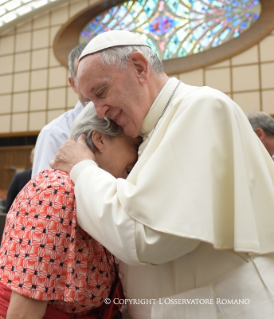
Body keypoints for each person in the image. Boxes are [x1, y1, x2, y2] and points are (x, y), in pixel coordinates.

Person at [51, 30, 274, 319]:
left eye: (101, 92)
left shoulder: (200, 108)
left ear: (139, 67)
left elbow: (145, 236)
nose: (100, 111)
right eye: (90, 102)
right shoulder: (149, 130)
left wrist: (83, 169)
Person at [0, 102, 141, 319]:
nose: (138, 158)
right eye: (134, 145)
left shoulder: (95, 193)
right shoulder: (58, 190)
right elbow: (23, 313)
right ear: (100, 139)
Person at [32, 42, 88, 177]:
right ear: (73, 84)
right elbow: (44, 194)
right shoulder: (55, 133)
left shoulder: (125, 122)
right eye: (85, 78)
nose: (94, 85)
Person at [5, 148, 35, 213]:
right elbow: (10, 201)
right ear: (31, 159)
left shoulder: (50, 178)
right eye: (36, 156)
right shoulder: (19, 177)